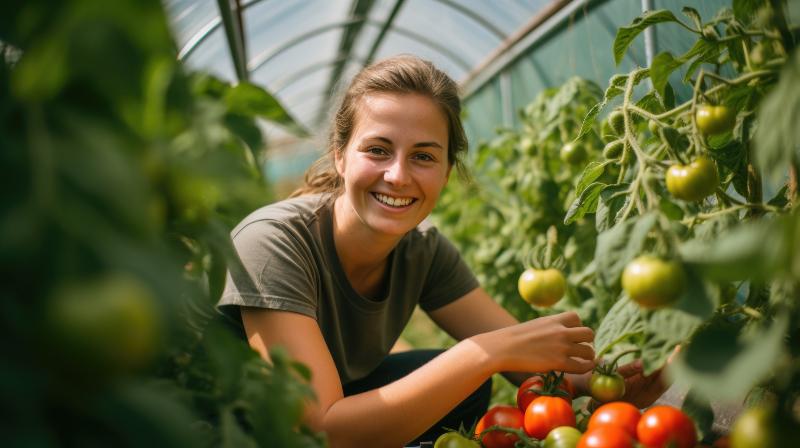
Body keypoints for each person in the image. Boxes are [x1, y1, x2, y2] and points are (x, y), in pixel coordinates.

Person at [218, 54, 667, 447]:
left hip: (328, 407)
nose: (398, 176)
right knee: (462, 370)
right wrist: (483, 353)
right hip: (229, 427)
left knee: (459, 383)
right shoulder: (273, 242)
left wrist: (606, 381)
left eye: (423, 156)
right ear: (340, 156)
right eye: (378, 149)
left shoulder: (423, 250)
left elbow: (522, 356)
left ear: (447, 171)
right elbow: (323, 431)